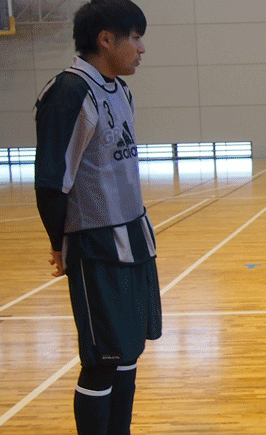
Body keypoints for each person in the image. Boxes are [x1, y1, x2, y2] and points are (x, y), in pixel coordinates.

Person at [33, 1, 160, 433]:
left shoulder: (120, 90)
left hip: (134, 236)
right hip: (96, 243)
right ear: (105, 39)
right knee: (102, 358)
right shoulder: (69, 93)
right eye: (135, 37)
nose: (141, 49)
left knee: (128, 351)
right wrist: (59, 243)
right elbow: (52, 182)